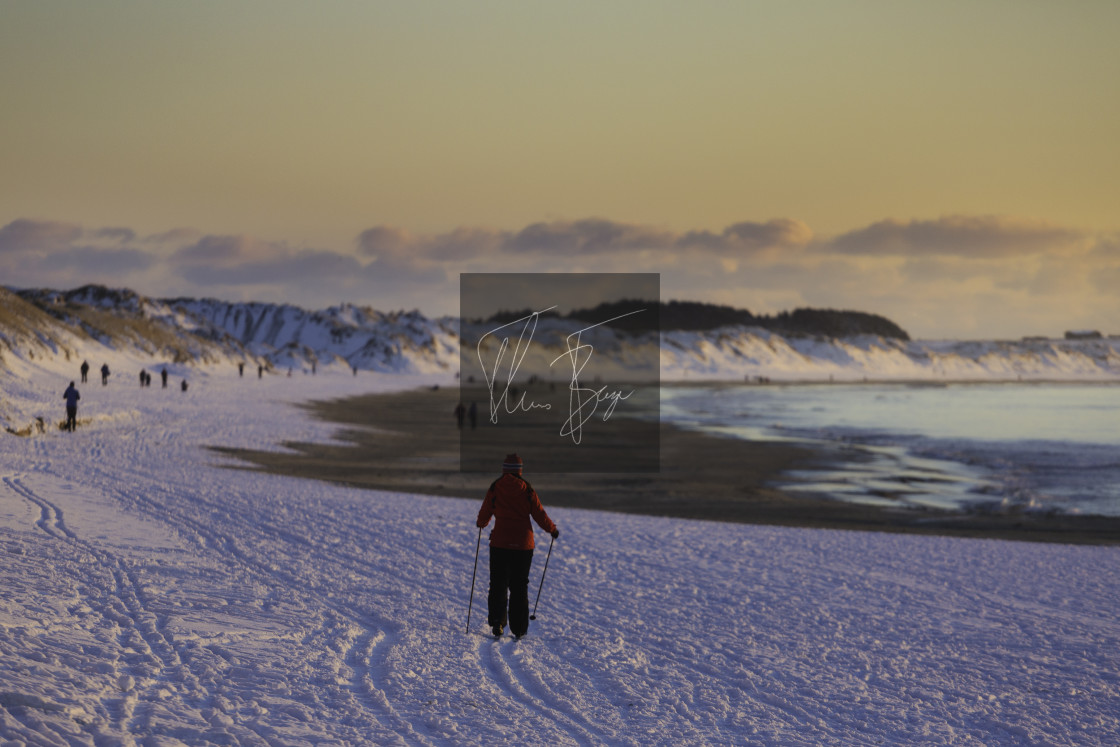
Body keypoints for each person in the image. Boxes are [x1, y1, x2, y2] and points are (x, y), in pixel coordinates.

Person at [476, 454, 558, 639]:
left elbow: (485, 511)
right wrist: (552, 530)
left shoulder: (495, 487)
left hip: (500, 544)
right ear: (520, 470)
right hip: (523, 545)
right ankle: (519, 629)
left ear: (504, 469)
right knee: (519, 586)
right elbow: (539, 513)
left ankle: (498, 622)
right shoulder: (527, 489)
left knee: (498, 583)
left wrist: (481, 523)